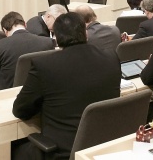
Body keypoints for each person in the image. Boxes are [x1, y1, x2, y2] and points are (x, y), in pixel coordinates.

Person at [12, 13, 121, 160]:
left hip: (61, 152)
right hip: (105, 148)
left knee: (14, 148)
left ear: (56, 38)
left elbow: (20, 110)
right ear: (86, 34)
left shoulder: (44, 66)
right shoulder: (111, 57)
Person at [0, 12, 54, 92]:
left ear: (4, 30)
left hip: (8, 97)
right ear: (25, 25)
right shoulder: (48, 42)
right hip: (40, 96)